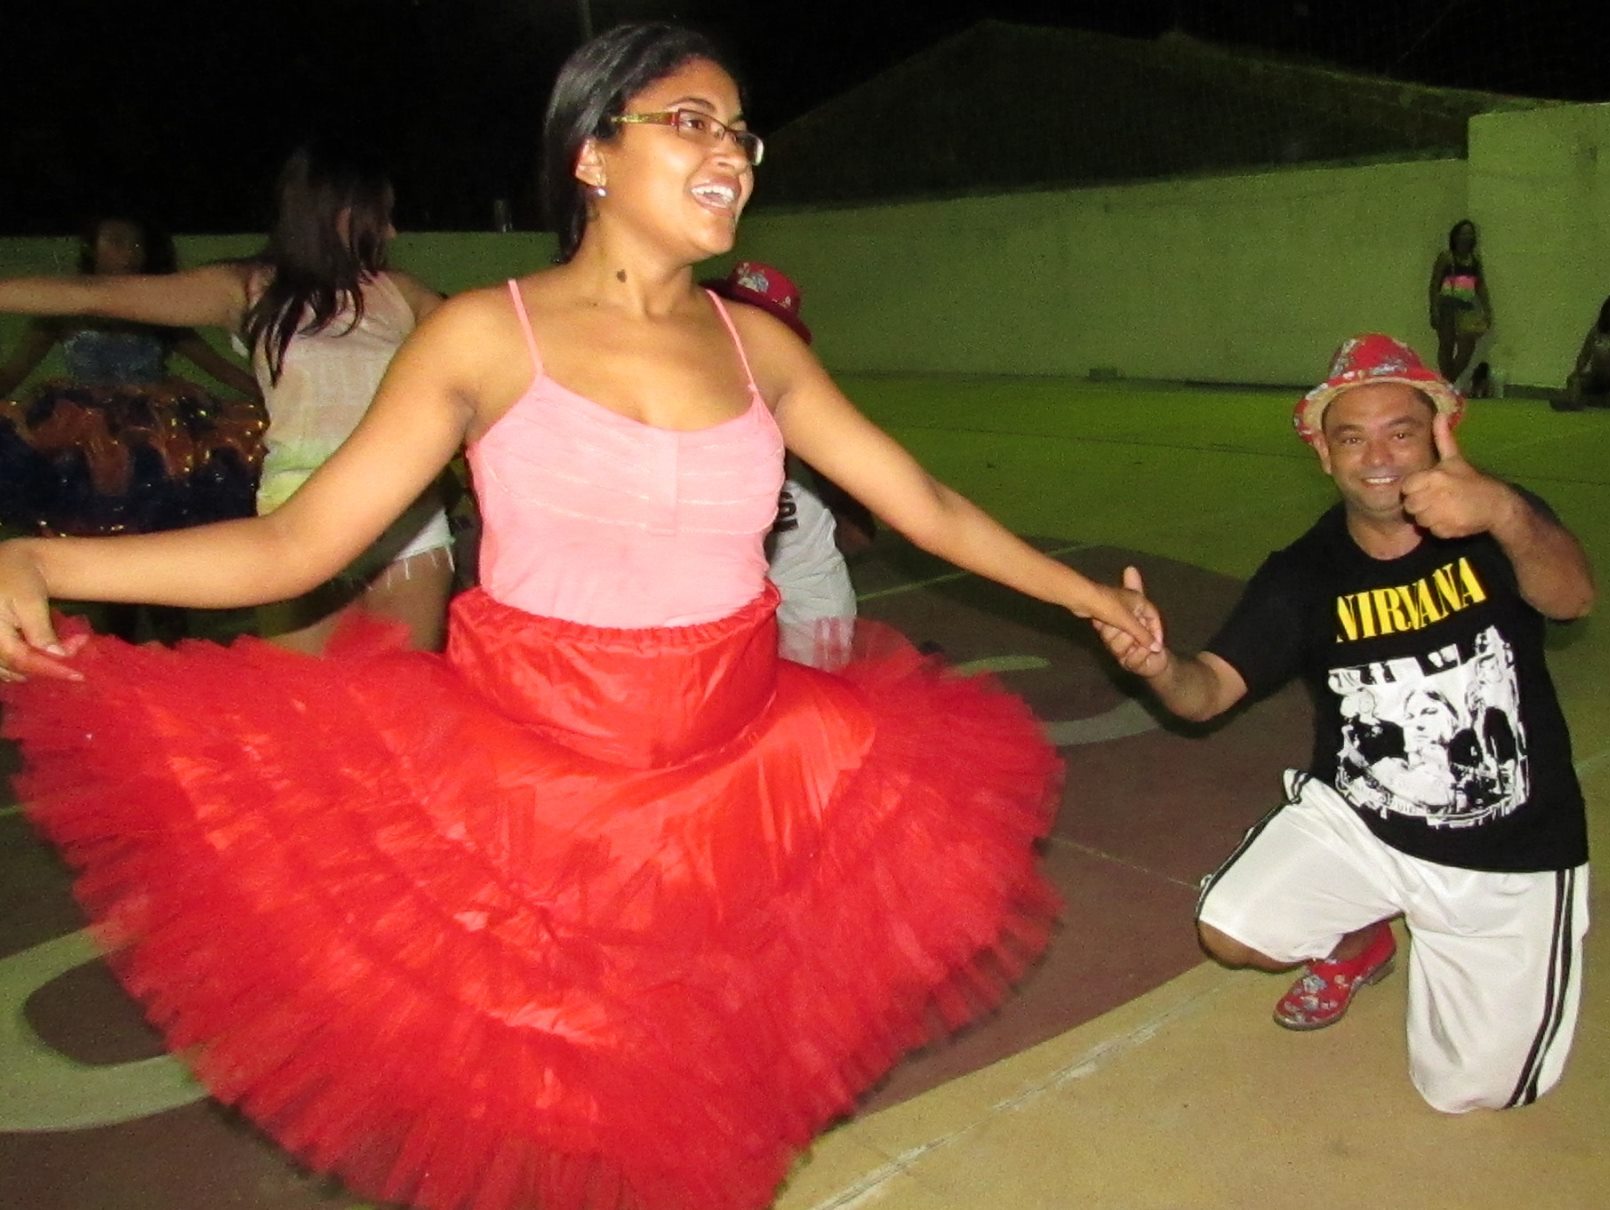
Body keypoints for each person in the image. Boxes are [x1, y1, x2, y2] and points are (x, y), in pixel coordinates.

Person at [0, 22, 1157, 1210]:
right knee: (562, 1105)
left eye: (741, 133)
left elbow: (923, 504)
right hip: (536, 789)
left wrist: (1081, 596)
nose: (732, 154)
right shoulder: (482, 333)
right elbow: (297, 544)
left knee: (702, 1080)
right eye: (691, 123)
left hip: (742, 775)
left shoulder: (757, 347)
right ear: (592, 155)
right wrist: (41, 556)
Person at [1096, 333, 1596, 1113]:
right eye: (1352, 438)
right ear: (1324, 455)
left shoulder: (1500, 523)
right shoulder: (1304, 575)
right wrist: (1157, 664)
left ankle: (1453, 944)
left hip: (1507, 844)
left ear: (1439, 434)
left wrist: (1502, 510)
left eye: (1401, 431)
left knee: (1470, 1094)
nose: (1378, 458)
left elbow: (1573, 599)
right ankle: (1362, 935)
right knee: (1232, 927)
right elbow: (1208, 693)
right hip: (1365, 822)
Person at [0, 143, 454, 654]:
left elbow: (491, 354)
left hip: (407, 518)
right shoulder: (247, 287)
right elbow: (93, 295)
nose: (391, 233)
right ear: (338, 211)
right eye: (381, 216)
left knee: (406, 690)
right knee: (300, 693)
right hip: (295, 518)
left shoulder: (404, 293)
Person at [0, 214, 264, 640]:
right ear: (92, 247)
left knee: (161, 533)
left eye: (137, 244)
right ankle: (122, 638)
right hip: (86, 442)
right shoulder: (60, 314)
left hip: (155, 438)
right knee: (104, 538)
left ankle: (172, 637)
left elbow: (216, 366)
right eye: (118, 241)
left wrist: (273, 391)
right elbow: (13, 373)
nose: (130, 253)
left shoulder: (158, 311)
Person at [704, 259, 872, 667]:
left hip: (805, 593)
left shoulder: (797, 404)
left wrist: (839, 518)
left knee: (818, 690)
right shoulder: (687, 391)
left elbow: (861, 527)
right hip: (723, 592)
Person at [1429, 219, 1490, 388]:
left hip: (1467, 308)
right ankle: (1447, 385)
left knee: (1466, 350)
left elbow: (1480, 286)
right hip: (1447, 307)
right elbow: (1435, 284)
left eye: (1470, 233)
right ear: (1455, 236)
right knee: (1446, 346)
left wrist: (1487, 311)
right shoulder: (1446, 257)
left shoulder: (1474, 260)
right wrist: (1434, 308)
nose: (1466, 237)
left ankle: (1447, 383)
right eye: (1463, 233)